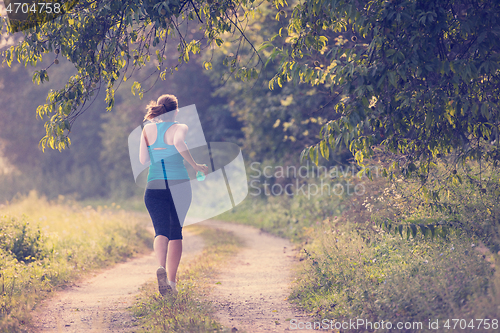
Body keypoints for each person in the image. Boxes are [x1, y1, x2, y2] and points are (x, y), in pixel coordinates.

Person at [139, 94, 208, 295]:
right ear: (176, 110)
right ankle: (171, 283)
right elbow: (179, 143)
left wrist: (156, 149)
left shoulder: (147, 129)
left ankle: (160, 267)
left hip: (154, 186)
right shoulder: (180, 127)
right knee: (175, 232)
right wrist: (195, 165)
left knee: (161, 230)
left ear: (160, 109)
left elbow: (143, 160)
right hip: (179, 185)